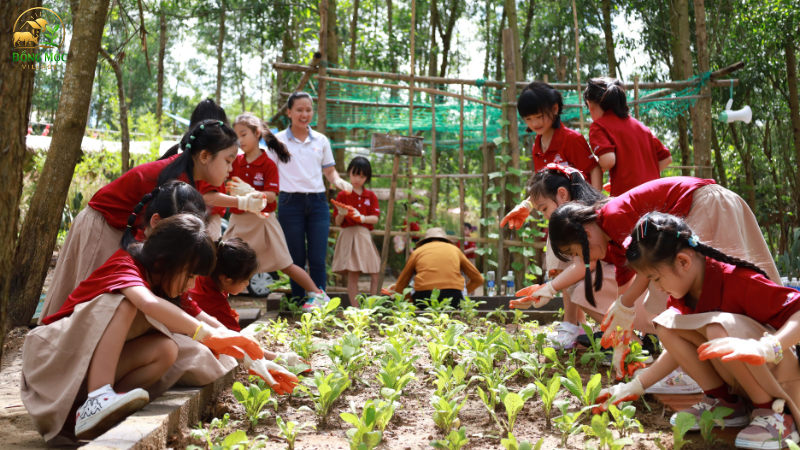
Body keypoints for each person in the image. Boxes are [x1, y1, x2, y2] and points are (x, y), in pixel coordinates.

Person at [21, 215, 296, 444]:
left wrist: (257, 359)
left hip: (79, 374)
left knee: (166, 349)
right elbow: (148, 303)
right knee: (124, 303)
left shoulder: (166, 284)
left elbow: (213, 324)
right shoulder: (125, 265)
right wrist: (206, 336)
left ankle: (97, 415)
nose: (191, 285)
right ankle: (98, 399)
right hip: (52, 365)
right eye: (190, 275)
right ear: (165, 260)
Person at [597, 212, 800, 450]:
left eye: (656, 278)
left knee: (716, 326)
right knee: (668, 324)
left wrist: (766, 347)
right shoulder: (684, 293)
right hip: (748, 379)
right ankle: (725, 403)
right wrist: (633, 387)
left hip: (780, 375)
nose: (657, 288)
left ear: (683, 262)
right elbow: (675, 351)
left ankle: (775, 414)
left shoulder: (739, 280)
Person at [546, 176, 781, 380]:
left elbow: (646, 270)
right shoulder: (611, 235)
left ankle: (749, 359)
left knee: (710, 285)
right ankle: (701, 364)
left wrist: (624, 310)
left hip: (706, 203)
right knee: (673, 296)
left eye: (576, 252)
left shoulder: (614, 216)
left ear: (586, 235)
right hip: (706, 204)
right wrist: (621, 327)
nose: (581, 259)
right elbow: (625, 288)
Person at [39, 119, 264, 322]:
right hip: (103, 224)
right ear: (205, 156)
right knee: (91, 302)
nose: (231, 169)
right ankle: (62, 342)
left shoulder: (187, 178)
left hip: (123, 228)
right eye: (228, 160)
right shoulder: (174, 180)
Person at [204, 113, 328, 307]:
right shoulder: (234, 162)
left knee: (286, 265)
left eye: (243, 134)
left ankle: (318, 295)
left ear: (257, 133)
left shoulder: (268, 163)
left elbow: (271, 196)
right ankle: (212, 303)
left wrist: (252, 192)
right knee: (223, 263)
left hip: (263, 221)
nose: (240, 140)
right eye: (236, 136)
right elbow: (224, 187)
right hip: (239, 221)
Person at [274, 92, 353, 302]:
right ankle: (299, 302)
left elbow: (330, 171)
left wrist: (339, 181)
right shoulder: (278, 140)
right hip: (289, 203)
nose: (304, 114)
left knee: (317, 258)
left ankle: (319, 303)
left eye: (308, 110)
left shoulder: (321, 140)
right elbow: (269, 172)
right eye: (299, 110)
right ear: (289, 112)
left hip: (318, 203)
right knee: (295, 259)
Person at [583, 77, 673, 197]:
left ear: (590, 105)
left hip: (629, 199)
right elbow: (666, 158)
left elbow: (608, 161)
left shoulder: (598, 126)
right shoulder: (640, 126)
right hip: (655, 194)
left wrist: (596, 164)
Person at [331, 156, 381, 307]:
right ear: (349, 173)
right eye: (355, 174)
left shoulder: (370, 195)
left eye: (362, 176)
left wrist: (362, 218)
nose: (357, 179)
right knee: (353, 274)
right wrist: (341, 213)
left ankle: (373, 308)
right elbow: (338, 222)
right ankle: (356, 310)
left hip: (364, 235)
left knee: (376, 272)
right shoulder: (342, 194)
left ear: (367, 178)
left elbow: (375, 218)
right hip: (349, 235)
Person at [390, 228, 483, 309]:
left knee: (413, 282)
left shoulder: (417, 252)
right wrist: (460, 294)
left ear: (425, 241)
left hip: (423, 300)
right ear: (445, 240)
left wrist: (412, 304)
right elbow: (478, 279)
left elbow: (400, 286)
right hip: (453, 299)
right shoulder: (455, 250)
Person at [179, 98, 231, 240]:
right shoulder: (210, 157)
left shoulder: (188, 151)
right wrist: (244, 202)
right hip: (206, 221)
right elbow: (208, 198)